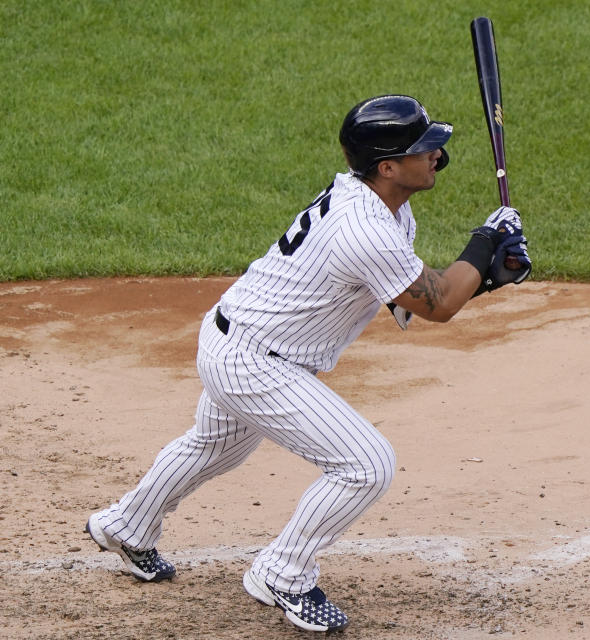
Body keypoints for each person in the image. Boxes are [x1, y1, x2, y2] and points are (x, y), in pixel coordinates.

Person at [84, 94, 531, 632]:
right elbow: (437, 306)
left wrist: (486, 275)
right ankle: (283, 573)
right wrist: (485, 245)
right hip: (256, 362)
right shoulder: (365, 227)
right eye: (426, 147)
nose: (438, 154)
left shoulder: (381, 204)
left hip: (239, 338)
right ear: (388, 167)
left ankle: (127, 525)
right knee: (366, 465)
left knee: (214, 446)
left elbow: (412, 298)